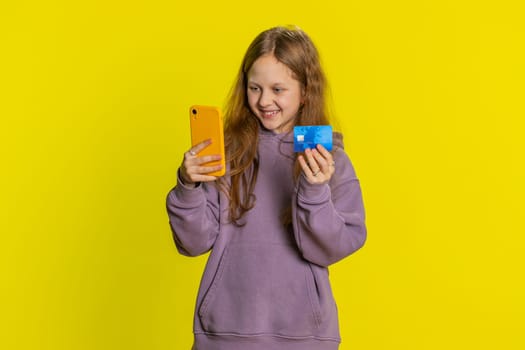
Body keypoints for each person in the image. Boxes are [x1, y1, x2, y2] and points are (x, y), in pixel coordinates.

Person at [166, 25, 366, 350]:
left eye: (278, 89)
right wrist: (188, 187)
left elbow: (331, 248)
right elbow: (193, 243)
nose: (264, 101)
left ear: (305, 91)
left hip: (304, 336)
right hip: (225, 333)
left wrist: (314, 191)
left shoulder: (329, 160)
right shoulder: (226, 153)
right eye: (254, 88)